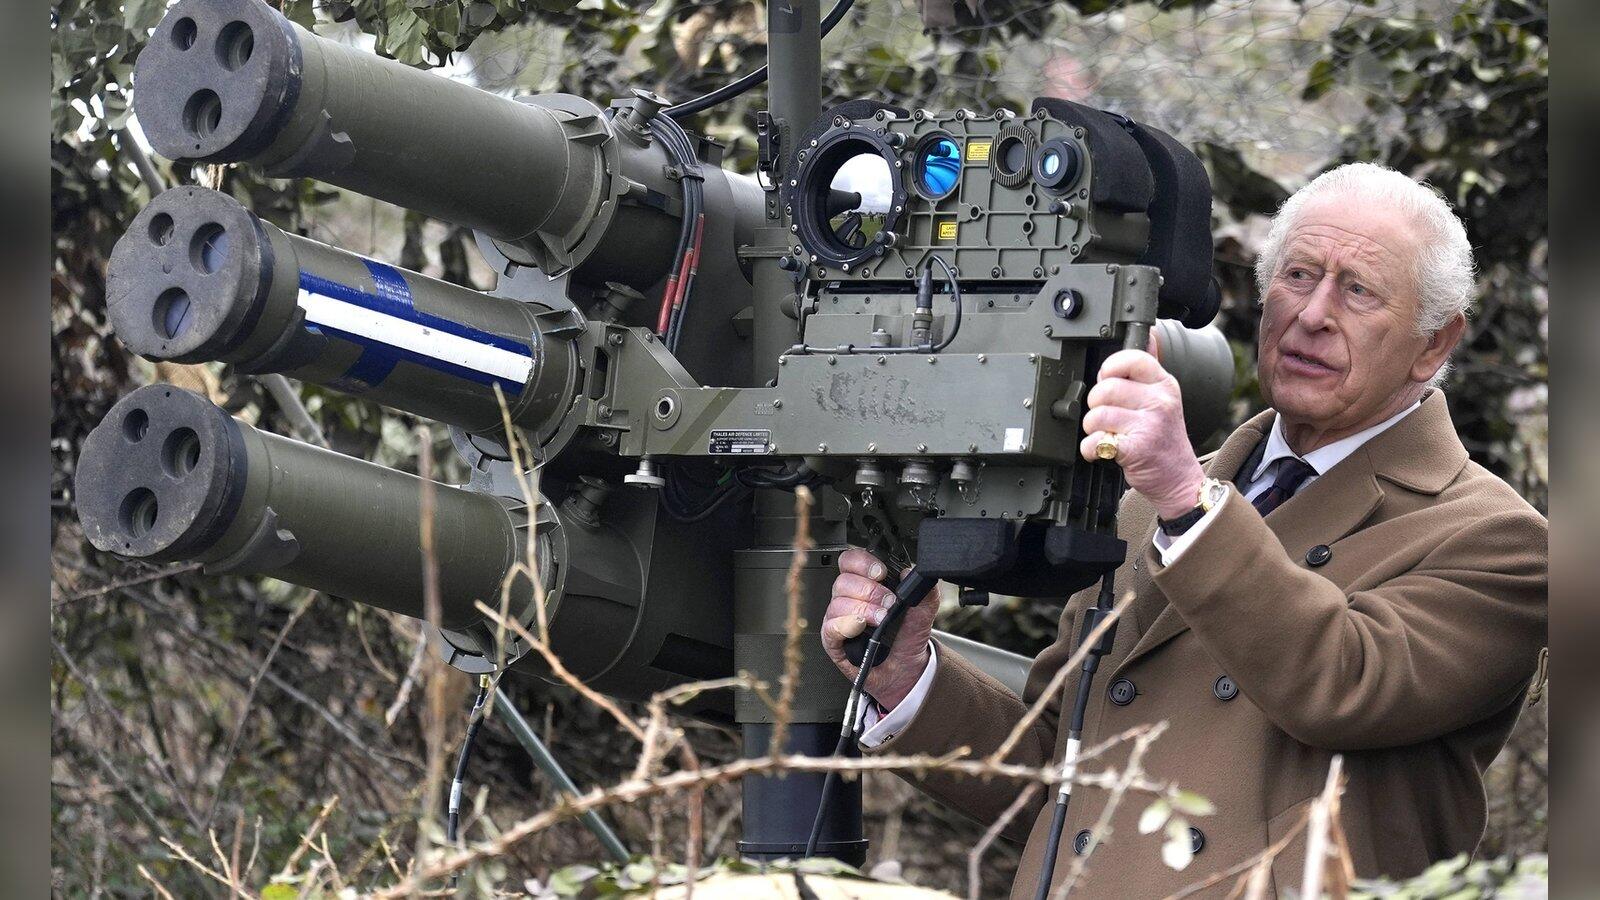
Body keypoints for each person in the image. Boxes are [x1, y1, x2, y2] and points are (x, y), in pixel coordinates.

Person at [819, 163, 1548, 898]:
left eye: (1358, 290)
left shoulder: (1497, 541)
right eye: (1298, 275)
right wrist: (909, 678)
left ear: (1434, 344)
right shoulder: (1157, 503)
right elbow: (1060, 776)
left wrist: (1185, 499)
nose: (1313, 314)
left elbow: (1342, 682)